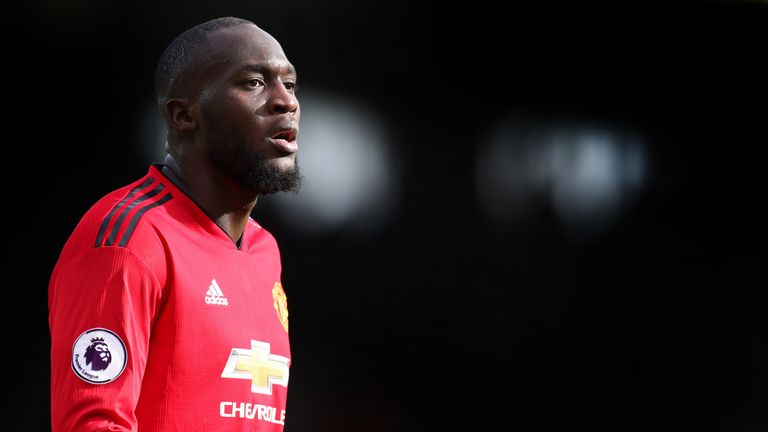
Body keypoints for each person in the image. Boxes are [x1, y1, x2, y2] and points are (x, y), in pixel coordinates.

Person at [48, 16, 302, 431]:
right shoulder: (128, 240)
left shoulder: (264, 252)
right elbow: (93, 422)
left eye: (289, 85)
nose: (284, 101)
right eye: (254, 83)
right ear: (185, 115)